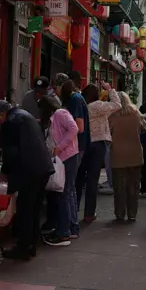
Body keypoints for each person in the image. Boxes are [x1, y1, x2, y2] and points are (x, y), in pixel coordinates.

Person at [0, 100, 53, 260]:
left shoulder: (11, 123)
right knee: (34, 209)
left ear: (2, 114)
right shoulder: (25, 115)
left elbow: (11, 152)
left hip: (29, 170)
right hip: (42, 168)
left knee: (25, 209)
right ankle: (31, 245)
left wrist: (5, 170)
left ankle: (23, 248)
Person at [41, 94, 79, 247]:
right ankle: (67, 228)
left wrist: (59, 147)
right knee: (66, 192)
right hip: (65, 157)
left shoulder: (60, 114)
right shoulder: (56, 116)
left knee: (63, 193)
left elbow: (74, 128)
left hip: (67, 157)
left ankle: (63, 232)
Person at [81, 84, 118, 224]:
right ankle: (89, 213)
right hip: (98, 144)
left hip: (83, 143)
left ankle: (73, 211)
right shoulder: (98, 106)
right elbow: (116, 104)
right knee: (92, 180)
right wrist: (110, 89)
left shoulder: (83, 105)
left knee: (79, 179)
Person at [108, 92, 146, 222]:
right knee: (133, 186)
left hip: (118, 154)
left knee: (119, 187)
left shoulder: (112, 116)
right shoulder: (136, 113)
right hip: (135, 153)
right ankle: (132, 214)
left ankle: (120, 213)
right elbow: (144, 127)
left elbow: (108, 132)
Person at [60, 79, 90, 236]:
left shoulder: (75, 99)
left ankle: (72, 226)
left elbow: (79, 127)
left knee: (68, 188)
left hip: (74, 149)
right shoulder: (76, 98)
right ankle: (72, 225)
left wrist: (60, 145)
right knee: (69, 187)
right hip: (75, 148)